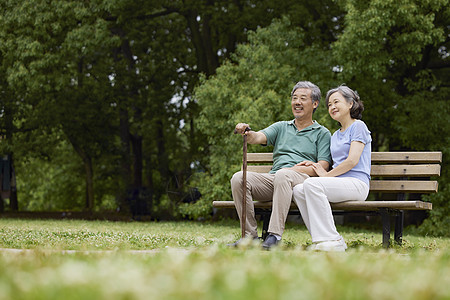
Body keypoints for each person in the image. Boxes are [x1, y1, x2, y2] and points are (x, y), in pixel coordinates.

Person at [230, 81, 332, 249]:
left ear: (315, 104)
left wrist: (292, 170)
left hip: (302, 182)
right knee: (239, 178)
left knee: (283, 174)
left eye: (302, 98)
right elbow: (257, 137)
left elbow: (323, 166)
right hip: (276, 179)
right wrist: (247, 131)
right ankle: (249, 237)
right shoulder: (281, 127)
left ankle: (274, 236)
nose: (297, 102)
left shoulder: (322, 133)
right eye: (294, 98)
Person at [292, 85, 371, 252]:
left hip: (357, 184)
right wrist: (313, 165)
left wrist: (325, 176)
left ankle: (332, 240)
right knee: (299, 190)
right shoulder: (335, 135)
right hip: (340, 184)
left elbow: (351, 161)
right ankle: (323, 240)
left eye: (336, 102)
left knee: (312, 184)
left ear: (350, 104)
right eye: (329, 104)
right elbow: (333, 163)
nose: (332, 107)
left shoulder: (358, 126)